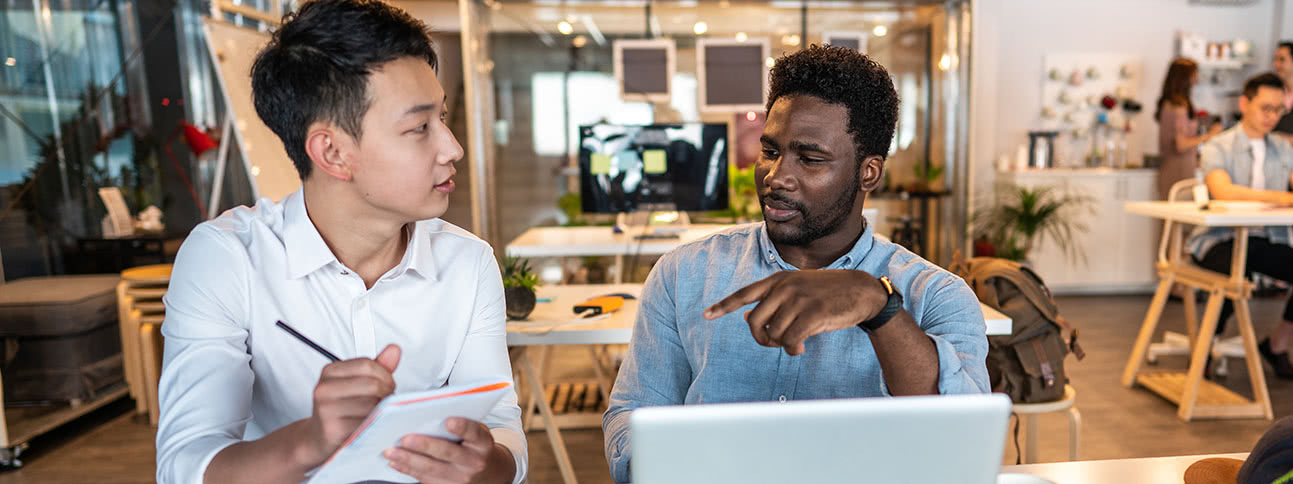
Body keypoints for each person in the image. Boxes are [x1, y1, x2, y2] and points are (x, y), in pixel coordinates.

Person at [154, 1, 526, 483]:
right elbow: (184, 467)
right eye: (420, 128)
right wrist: (309, 441)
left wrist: (489, 466)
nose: (452, 147)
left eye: (443, 119)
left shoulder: (468, 262)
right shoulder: (227, 259)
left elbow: (502, 429)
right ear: (332, 152)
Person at [601, 45, 989, 483]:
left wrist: (878, 307)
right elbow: (632, 416)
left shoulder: (936, 294)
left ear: (869, 173)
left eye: (810, 158)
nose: (776, 176)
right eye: (770, 151)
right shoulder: (684, 273)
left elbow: (963, 442)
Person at [1188, 73, 1293, 379]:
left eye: (1278, 110)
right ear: (1244, 103)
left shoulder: (1283, 149)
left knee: (1252, 261)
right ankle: (1204, 350)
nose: (1272, 116)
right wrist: (1283, 197)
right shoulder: (1218, 147)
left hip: (1264, 240)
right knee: (1234, 272)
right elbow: (1223, 191)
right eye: (1265, 108)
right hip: (1218, 240)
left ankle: (1276, 344)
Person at [1156, 57, 1221, 200]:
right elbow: (1181, 145)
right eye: (1194, 74)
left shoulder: (1171, 103)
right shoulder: (1177, 106)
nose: (1196, 78)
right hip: (1179, 170)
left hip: (1178, 168)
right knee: (1179, 216)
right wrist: (1210, 135)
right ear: (1185, 77)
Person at [1270, 42, 1293, 140]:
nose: (1276, 64)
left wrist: (1280, 139)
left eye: (1282, 59)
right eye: (1275, 59)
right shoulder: (1273, 92)